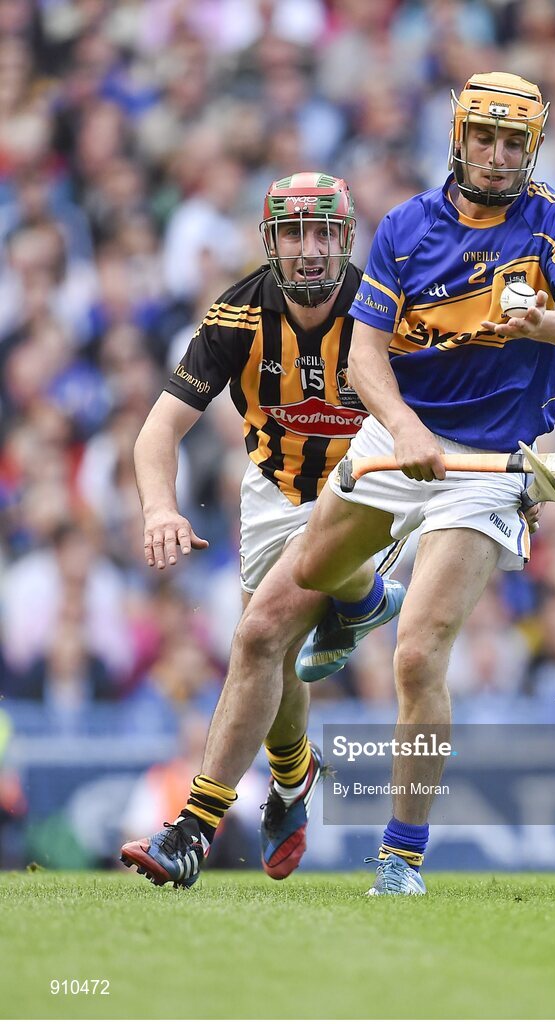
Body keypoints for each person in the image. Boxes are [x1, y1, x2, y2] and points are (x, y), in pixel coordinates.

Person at [291, 72, 555, 894]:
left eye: (515, 142)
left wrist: (545, 322)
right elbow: (363, 356)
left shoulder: (551, 225)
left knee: (418, 655)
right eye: (485, 138)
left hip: (487, 467)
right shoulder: (405, 226)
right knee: (311, 574)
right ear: (458, 137)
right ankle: (363, 599)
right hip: (398, 437)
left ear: (532, 148)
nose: (499, 156)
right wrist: (403, 431)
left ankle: (400, 855)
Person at [120, 173, 408, 887]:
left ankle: (193, 829)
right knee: (274, 657)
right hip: (274, 493)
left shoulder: (384, 312)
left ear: (344, 240)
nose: (308, 250)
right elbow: (157, 433)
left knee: (254, 635)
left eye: (322, 234)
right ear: (270, 241)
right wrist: (160, 508)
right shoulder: (235, 316)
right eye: (292, 233)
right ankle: (292, 777)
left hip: (365, 487)